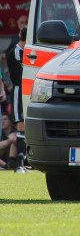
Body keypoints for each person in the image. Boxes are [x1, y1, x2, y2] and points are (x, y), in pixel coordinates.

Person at [8, 27, 26, 172]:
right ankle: (19, 164)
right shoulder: (14, 52)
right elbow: (19, 77)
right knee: (20, 126)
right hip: (18, 92)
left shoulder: (25, 52)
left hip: (26, 92)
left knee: (24, 127)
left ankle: (22, 163)